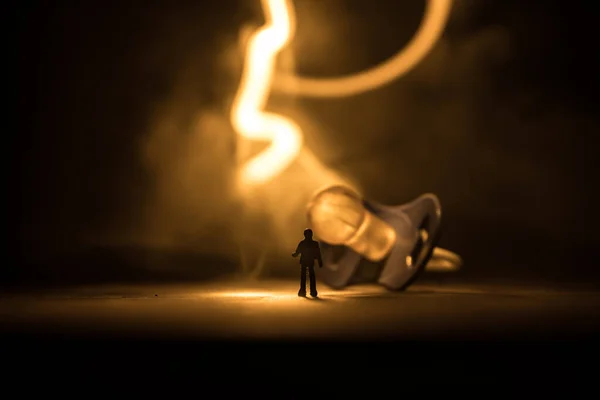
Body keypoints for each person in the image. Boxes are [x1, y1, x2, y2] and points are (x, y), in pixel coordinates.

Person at [292, 228, 323, 297]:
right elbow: (318, 254)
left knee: (303, 277)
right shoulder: (315, 244)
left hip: (304, 261)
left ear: (304, 235)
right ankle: (313, 291)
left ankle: (303, 291)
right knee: (312, 276)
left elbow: (297, 252)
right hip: (310, 261)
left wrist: (294, 255)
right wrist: (320, 261)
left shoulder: (302, 243)